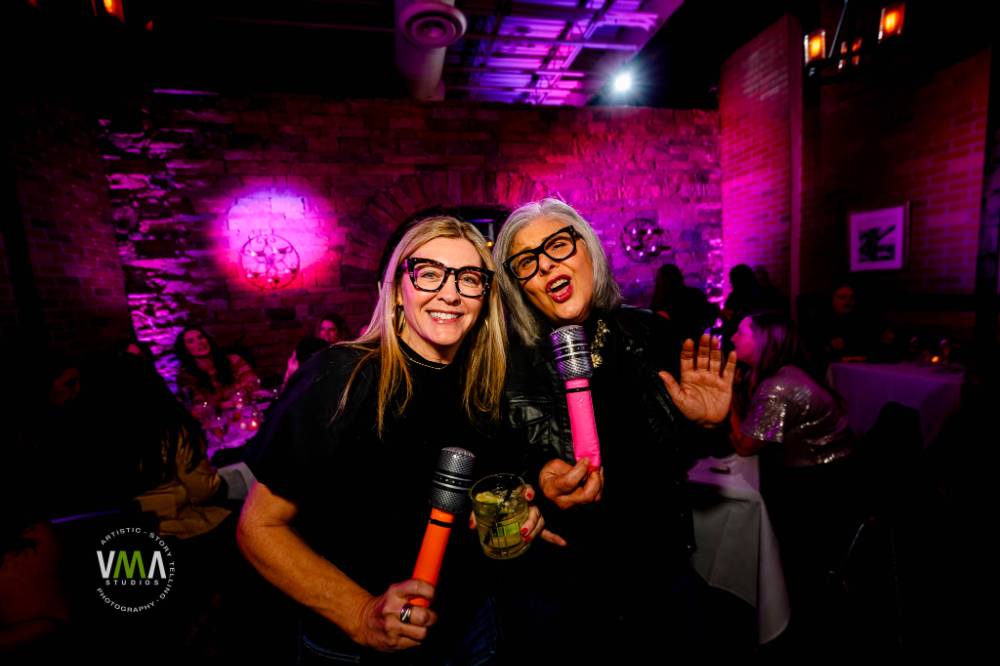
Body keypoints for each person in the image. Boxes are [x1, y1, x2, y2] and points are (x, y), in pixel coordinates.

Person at [238, 216, 554, 663]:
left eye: (469, 278)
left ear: (485, 296)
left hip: (472, 629)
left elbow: (469, 506)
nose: (450, 293)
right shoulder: (340, 377)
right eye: (429, 273)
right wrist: (360, 613)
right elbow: (259, 527)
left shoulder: (485, 385)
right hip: (356, 649)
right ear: (399, 290)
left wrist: (514, 513)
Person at [492, 198, 736, 656]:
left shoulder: (649, 335)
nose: (546, 265)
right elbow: (491, 456)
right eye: (526, 261)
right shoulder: (506, 361)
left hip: (657, 570)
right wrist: (535, 478)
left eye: (558, 245)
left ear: (588, 249)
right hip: (559, 586)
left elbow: (685, 452)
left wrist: (705, 425)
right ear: (519, 286)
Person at [729, 311, 859, 645]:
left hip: (825, 480)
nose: (732, 338)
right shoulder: (773, 373)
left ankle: (792, 615)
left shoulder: (778, 385)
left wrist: (725, 397)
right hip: (824, 470)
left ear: (764, 340)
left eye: (741, 332)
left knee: (791, 549)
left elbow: (745, 445)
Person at [173, 324, 260, 411]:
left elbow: (252, 383)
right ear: (186, 350)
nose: (200, 342)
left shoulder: (233, 360)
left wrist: (229, 399)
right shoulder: (186, 377)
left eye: (201, 337)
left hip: (246, 409)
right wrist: (229, 398)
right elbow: (200, 406)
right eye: (191, 341)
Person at [649, 262, 717, 344]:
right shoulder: (695, 294)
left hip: (670, 345)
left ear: (661, 280)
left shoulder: (662, 300)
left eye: (658, 279)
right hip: (695, 343)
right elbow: (708, 316)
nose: (656, 281)